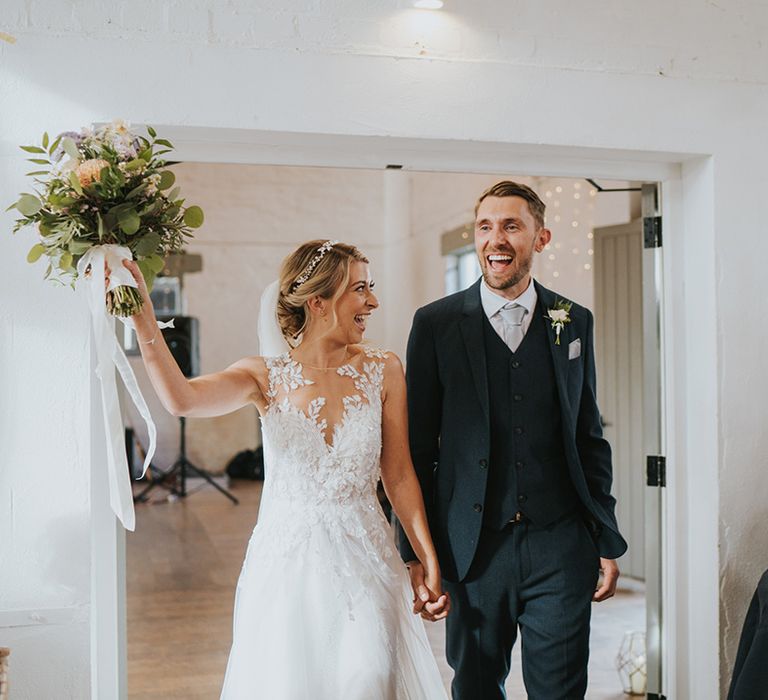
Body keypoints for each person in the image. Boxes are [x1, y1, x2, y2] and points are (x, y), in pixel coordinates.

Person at [114, 239, 450, 699]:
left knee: (370, 679)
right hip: (287, 567)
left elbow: (398, 474)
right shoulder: (263, 376)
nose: (373, 301)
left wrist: (427, 558)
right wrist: (143, 319)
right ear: (318, 301)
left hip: (367, 559)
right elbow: (182, 399)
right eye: (359, 290)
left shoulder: (384, 369)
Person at [398, 182, 628, 700]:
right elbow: (414, 450)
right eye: (485, 226)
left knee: (561, 691)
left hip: (561, 546)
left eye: (510, 225)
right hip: (473, 551)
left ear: (539, 237)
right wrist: (417, 556)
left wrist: (604, 534)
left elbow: (588, 436)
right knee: (477, 688)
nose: (494, 239)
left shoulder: (573, 321)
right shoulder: (435, 325)